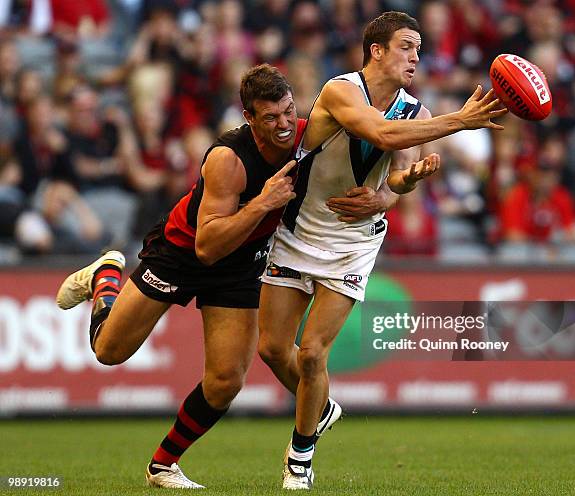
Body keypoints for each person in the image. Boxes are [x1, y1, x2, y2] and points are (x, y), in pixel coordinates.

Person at [55, 64, 392, 489]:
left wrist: (392, 190)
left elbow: (379, 146)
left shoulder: (310, 138)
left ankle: (162, 466)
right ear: (249, 119)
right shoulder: (227, 158)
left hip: (243, 264)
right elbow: (208, 246)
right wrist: (263, 202)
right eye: (271, 118)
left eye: (289, 111)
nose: (285, 125)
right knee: (108, 351)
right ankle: (106, 276)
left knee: (226, 380)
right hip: (183, 254)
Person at [257, 11, 507, 490]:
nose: (416, 56)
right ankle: (323, 407)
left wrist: (399, 187)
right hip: (298, 230)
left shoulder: (418, 112)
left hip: (354, 240)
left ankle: (299, 460)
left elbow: (395, 177)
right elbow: (382, 135)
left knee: (312, 355)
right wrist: (461, 121)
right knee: (271, 349)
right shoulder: (340, 90)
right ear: (376, 50)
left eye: (419, 48)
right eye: (407, 46)